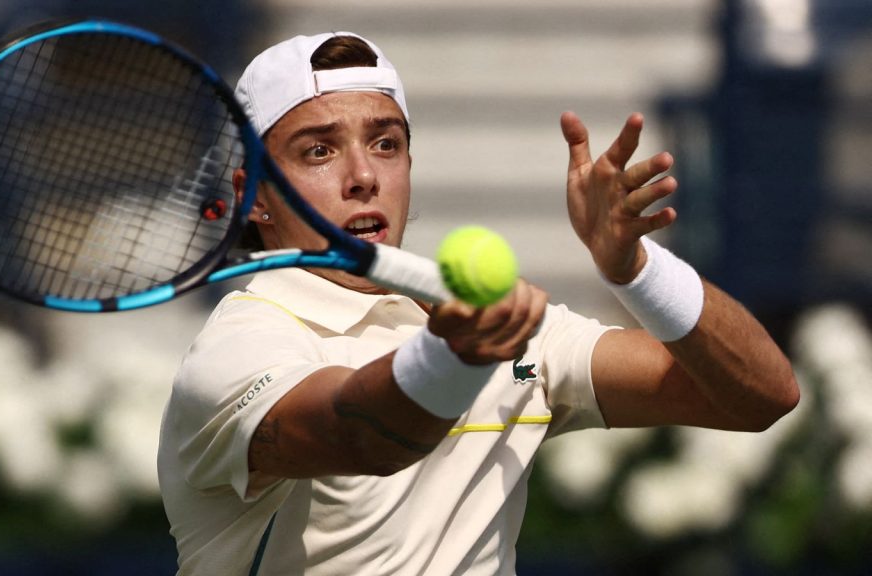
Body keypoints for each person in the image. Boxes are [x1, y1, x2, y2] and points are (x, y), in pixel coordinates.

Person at [156, 31, 799, 576]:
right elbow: (360, 436)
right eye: (319, 150)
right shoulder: (239, 347)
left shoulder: (491, 327)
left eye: (386, 143)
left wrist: (637, 270)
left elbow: (760, 394)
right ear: (254, 196)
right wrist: (456, 355)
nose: (363, 175)